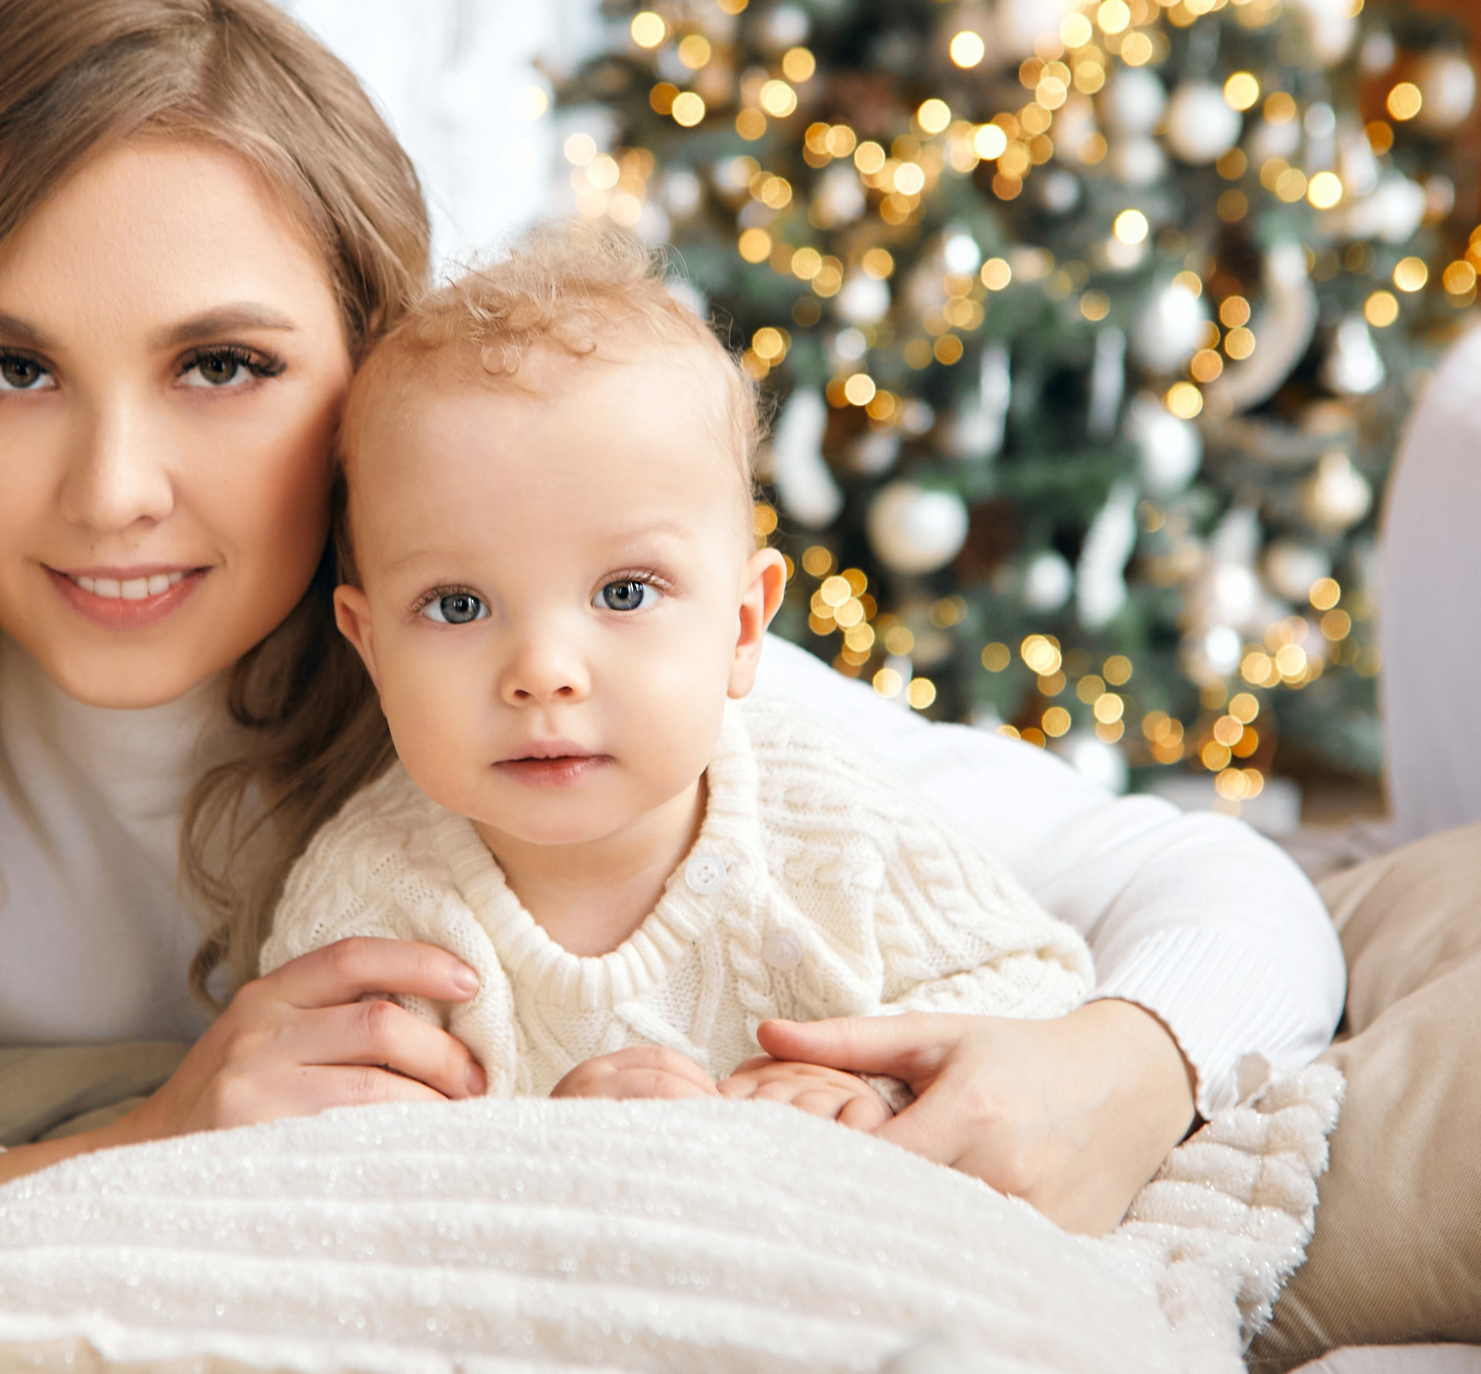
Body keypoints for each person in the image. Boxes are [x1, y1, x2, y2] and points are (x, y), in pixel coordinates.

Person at [0, 0, 1344, 1319]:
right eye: (7, 369)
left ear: (366, 385)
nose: (111, 487)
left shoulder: (524, 665)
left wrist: (1119, 1059)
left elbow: (1220, 881)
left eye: (222, 366)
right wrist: (130, 1148)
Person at [261, 231, 1095, 1128]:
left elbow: (1040, 987)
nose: (543, 673)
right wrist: (545, 1139)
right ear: (371, 645)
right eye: (457, 606)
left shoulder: (825, 815)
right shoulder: (370, 904)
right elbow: (326, 1163)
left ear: (741, 626)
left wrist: (872, 1082)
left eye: (624, 592)